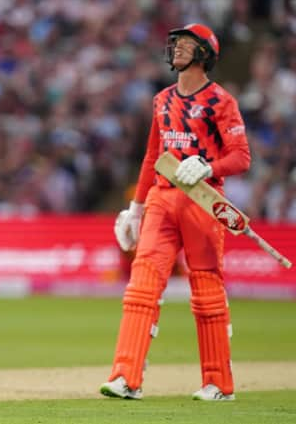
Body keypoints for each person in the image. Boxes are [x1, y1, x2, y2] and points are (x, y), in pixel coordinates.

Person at [100, 24, 250, 401]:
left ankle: (218, 383)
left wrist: (208, 166)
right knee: (141, 287)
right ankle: (126, 377)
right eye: (176, 44)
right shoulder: (162, 100)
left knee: (206, 292)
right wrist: (135, 209)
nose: (177, 49)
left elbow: (241, 157)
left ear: (205, 53)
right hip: (162, 200)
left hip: (202, 200)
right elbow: (153, 156)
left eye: (186, 44)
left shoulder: (220, 101)